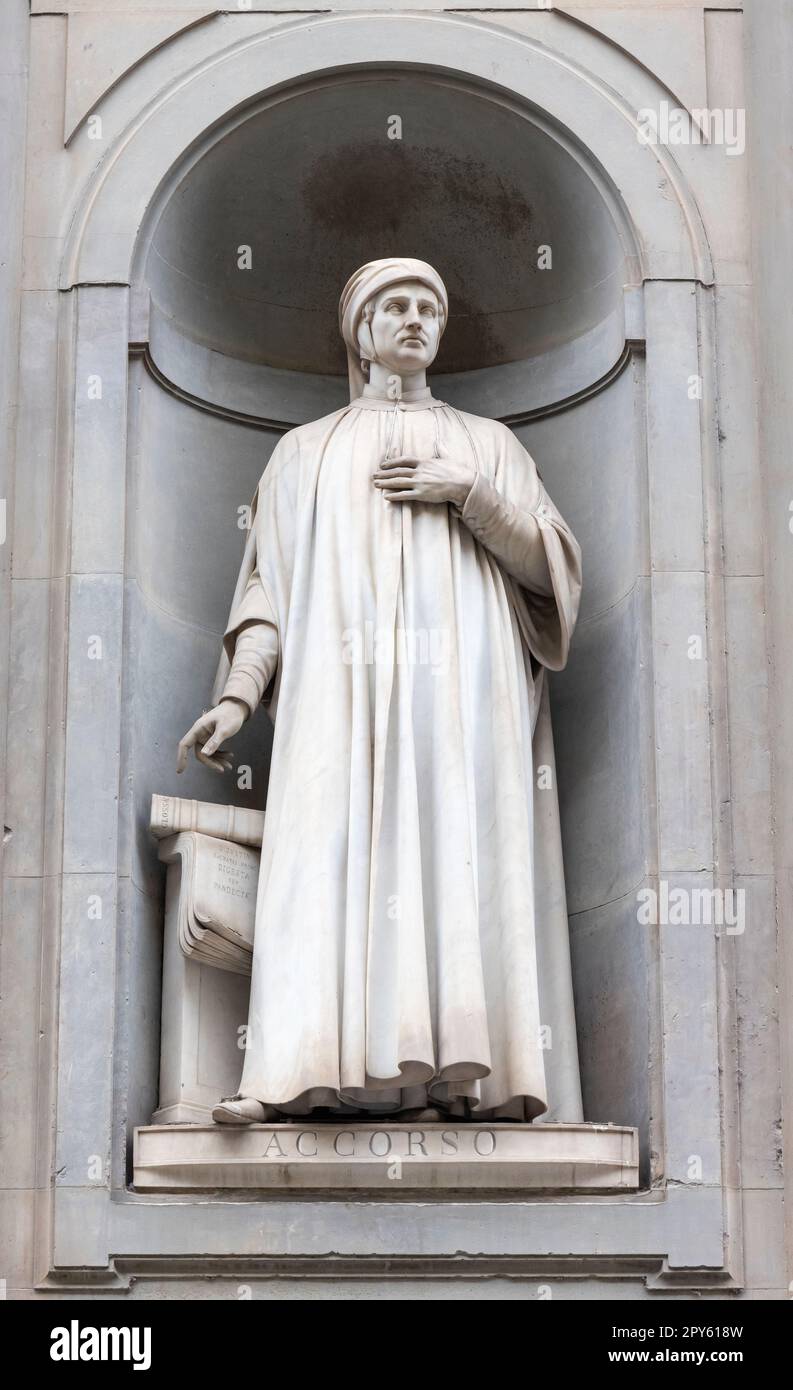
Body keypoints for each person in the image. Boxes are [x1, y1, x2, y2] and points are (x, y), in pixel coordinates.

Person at [177, 258, 584, 1124]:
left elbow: (551, 577)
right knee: (321, 851)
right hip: (339, 698)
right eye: (393, 307)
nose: (412, 320)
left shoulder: (490, 445)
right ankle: (291, 1073)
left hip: (462, 698)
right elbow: (267, 593)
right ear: (359, 333)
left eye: (427, 308)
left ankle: (462, 1078)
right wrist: (240, 696)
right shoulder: (304, 452)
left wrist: (468, 493)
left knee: (454, 852)